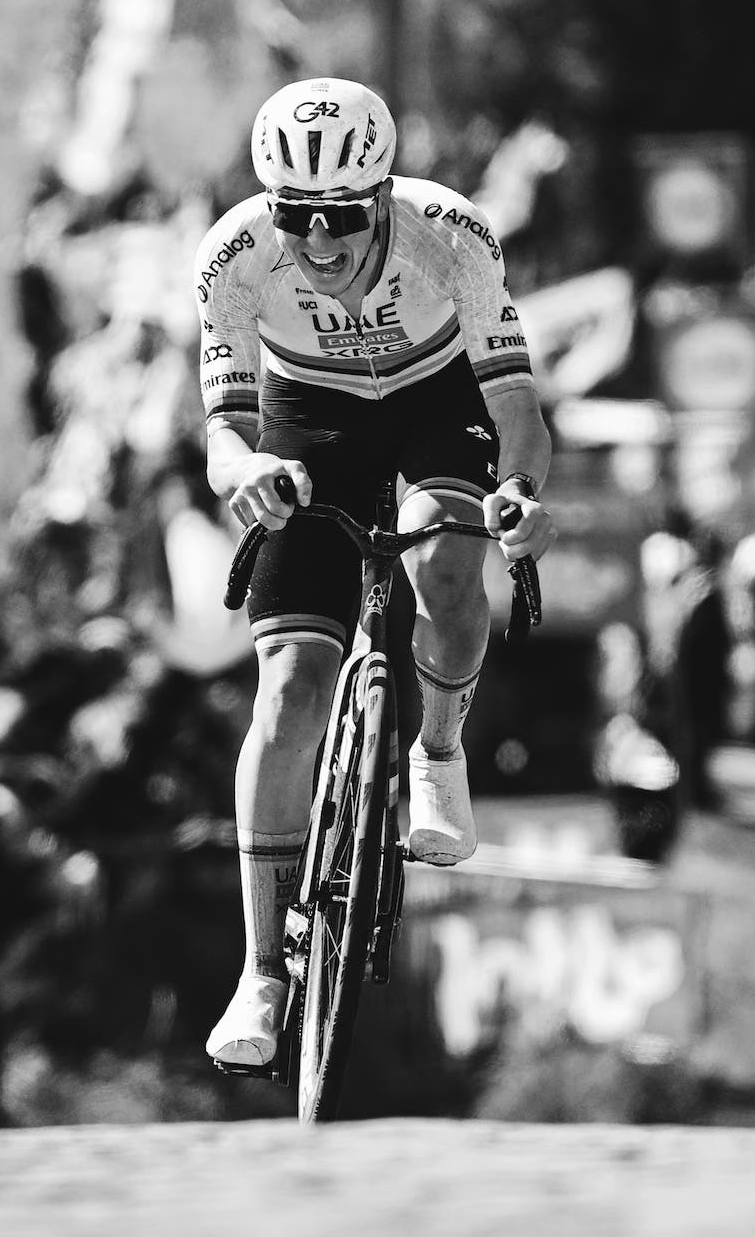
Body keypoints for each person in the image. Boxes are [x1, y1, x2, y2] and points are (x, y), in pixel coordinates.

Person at [193, 76, 555, 1070]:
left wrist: (517, 489)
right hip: (308, 415)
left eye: (340, 214)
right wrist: (246, 470)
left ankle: (438, 754)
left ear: (385, 193)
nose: (316, 239)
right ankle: (263, 972)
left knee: (447, 557)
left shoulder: (452, 234)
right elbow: (222, 424)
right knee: (291, 689)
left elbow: (516, 402)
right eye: (294, 214)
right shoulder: (234, 256)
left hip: (440, 396)